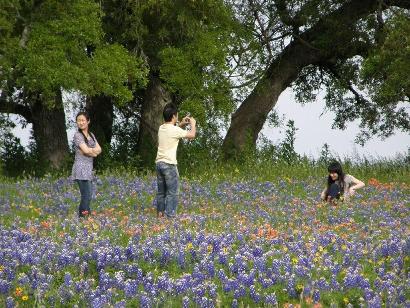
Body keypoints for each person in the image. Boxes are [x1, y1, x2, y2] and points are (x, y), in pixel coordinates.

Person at [155, 103, 196, 218]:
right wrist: (193, 124)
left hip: (159, 163)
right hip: (169, 164)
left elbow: (172, 129)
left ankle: (160, 216)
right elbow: (192, 135)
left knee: (161, 192)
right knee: (173, 192)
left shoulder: (161, 128)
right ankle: (170, 217)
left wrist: (181, 123)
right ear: (173, 116)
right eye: (176, 115)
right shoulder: (175, 130)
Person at [72, 111, 102, 217]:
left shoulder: (91, 135)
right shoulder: (77, 135)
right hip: (80, 168)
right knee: (86, 195)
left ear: (88, 121)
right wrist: (93, 152)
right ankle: (84, 217)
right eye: (78, 120)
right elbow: (85, 150)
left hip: (88, 169)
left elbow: (99, 149)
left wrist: (91, 152)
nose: (80, 122)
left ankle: (85, 217)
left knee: (88, 195)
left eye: (83, 120)